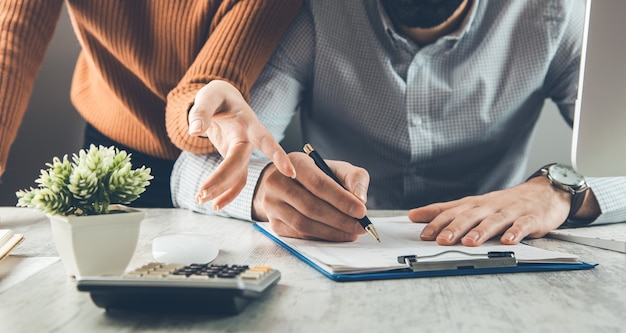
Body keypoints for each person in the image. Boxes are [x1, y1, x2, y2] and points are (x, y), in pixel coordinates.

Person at [171, 0, 626, 246]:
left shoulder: (556, 14)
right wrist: (268, 188)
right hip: (341, 270)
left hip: (499, 258)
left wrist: (561, 191)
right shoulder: (312, 13)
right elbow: (192, 169)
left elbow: (619, 154)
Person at [0, 0, 299, 208]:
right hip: (107, 148)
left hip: (205, 165)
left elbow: (209, 80)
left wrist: (204, 113)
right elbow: (12, 36)